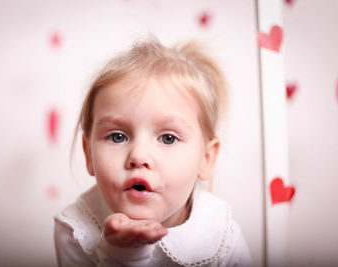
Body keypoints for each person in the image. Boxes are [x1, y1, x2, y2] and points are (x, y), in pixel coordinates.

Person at [54, 36, 252, 267]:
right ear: (88, 155)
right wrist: (121, 255)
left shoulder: (219, 233)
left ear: (206, 159)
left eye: (168, 138)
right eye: (117, 137)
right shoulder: (77, 229)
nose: (138, 156)